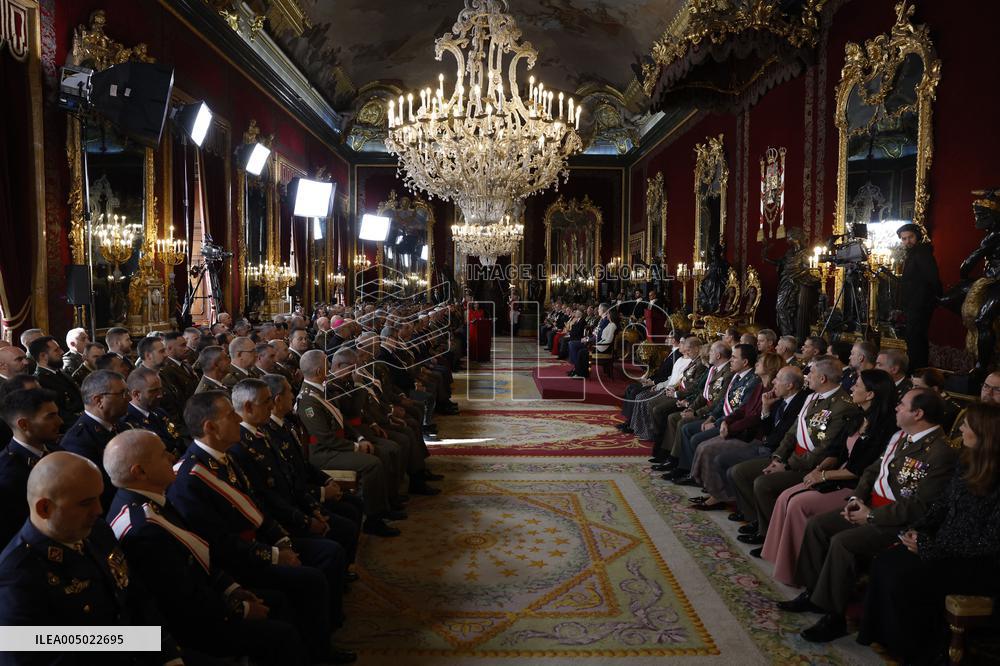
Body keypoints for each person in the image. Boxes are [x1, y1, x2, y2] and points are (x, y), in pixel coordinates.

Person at [103, 430, 309, 666]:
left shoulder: (151, 501)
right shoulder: (144, 527)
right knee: (282, 635)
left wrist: (231, 588)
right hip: (190, 626)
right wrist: (239, 609)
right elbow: (180, 599)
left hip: (204, 598)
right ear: (140, 472)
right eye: (162, 455)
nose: (172, 457)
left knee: (279, 602)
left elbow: (195, 554)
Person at [167, 391, 344, 664]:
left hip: (253, 546)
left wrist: (281, 541)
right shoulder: (190, 478)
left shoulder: (224, 457)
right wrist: (273, 555)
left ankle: (317, 642)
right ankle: (317, 651)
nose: (239, 419)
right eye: (231, 415)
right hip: (236, 561)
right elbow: (219, 542)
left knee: (324, 557)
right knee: (310, 581)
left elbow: (255, 504)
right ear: (210, 427)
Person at [784, 388, 959, 643]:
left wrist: (873, 516)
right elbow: (872, 471)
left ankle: (835, 618)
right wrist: (856, 499)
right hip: (869, 507)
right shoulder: (901, 436)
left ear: (918, 413)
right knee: (818, 525)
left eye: (902, 404)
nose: (896, 407)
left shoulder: (941, 452)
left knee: (843, 543)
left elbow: (921, 506)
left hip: (898, 522)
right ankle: (815, 594)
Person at [0, 451, 182, 664]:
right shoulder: (18, 574)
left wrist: (168, 654)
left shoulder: (96, 531)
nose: (99, 510)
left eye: (98, 497)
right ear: (45, 508)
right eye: (85, 503)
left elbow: (136, 596)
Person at [857, 401, 1000, 662]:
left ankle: (918, 650)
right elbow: (941, 505)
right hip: (944, 544)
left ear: (984, 433)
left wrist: (929, 546)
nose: (961, 428)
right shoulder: (967, 461)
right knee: (886, 562)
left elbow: (989, 542)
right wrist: (918, 529)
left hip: (977, 563)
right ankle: (887, 638)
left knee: (904, 576)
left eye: (967, 425)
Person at [761, 369, 898, 575]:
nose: (852, 388)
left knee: (798, 504)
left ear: (870, 394)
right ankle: (781, 557)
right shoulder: (858, 416)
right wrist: (818, 470)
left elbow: (859, 470)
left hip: (855, 485)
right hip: (836, 474)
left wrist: (823, 476)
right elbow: (836, 451)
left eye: (857, 385)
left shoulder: (885, 427)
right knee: (785, 497)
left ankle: (796, 569)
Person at [0, 388, 63, 546]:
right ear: (24, 424)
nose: (60, 422)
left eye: (57, 414)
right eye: (50, 416)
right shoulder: (8, 474)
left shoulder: (57, 451)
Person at [898, 223, 941, 372]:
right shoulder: (914, 253)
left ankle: (916, 372)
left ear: (917, 236)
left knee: (915, 339)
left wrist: (932, 299)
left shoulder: (921, 253)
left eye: (910, 237)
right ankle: (918, 371)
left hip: (920, 304)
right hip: (915, 304)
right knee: (916, 339)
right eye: (904, 239)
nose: (907, 241)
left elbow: (933, 278)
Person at [119, 366, 185, 456]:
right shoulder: (127, 422)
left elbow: (178, 441)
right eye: (153, 391)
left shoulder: (159, 412)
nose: (160, 395)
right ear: (136, 394)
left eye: (160, 389)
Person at [29, 335, 83, 431]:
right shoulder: (39, 381)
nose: (62, 352)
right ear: (43, 356)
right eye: (56, 350)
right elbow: (56, 413)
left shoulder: (60, 373)